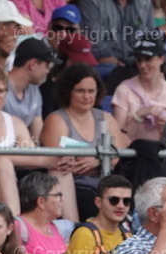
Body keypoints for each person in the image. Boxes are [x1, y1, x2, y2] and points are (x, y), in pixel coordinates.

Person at [0, 64, 74, 215]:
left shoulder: (15, 122)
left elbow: (30, 153)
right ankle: (4, 220)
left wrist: (56, 160)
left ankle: (71, 224)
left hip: (10, 180)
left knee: (58, 165)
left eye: (0, 91)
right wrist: (45, 160)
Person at [40, 63, 128, 219]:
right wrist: (102, 158)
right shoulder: (56, 120)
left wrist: (96, 160)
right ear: (68, 91)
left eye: (91, 91)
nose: (87, 96)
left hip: (107, 184)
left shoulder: (106, 118)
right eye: (80, 91)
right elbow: (59, 162)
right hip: (75, 187)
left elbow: (117, 156)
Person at [110, 33, 166, 143]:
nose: (142, 65)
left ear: (161, 59)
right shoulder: (124, 90)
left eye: (148, 59)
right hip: (132, 154)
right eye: (139, 60)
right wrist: (140, 115)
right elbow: (118, 137)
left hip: (164, 154)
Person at [12, 171, 66, 254]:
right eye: (58, 195)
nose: (63, 200)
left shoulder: (54, 227)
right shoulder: (16, 227)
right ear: (41, 201)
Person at [78, 0, 153, 69]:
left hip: (140, 63)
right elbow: (93, 39)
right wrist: (108, 57)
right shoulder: (92, 2)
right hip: (108, 64)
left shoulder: (144, 2)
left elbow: (150, 37)